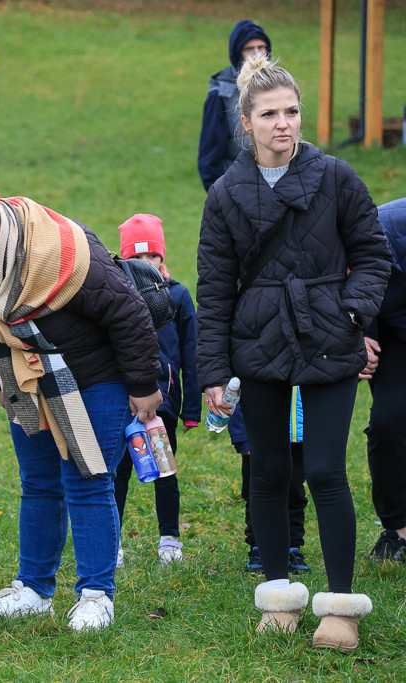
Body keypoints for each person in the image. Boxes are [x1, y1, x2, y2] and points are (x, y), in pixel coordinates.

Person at [196, 55, 390, 652]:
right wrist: (213, 370)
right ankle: (278, 597)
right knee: (271, 471)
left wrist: (352, 313)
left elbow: (374, 253)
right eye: (269, 114)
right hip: (258, 344)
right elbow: (213, 288)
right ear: (247, 123)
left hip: (328, 338)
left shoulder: (336, 176)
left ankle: (339, 606)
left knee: (328, 471)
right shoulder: (226, 193)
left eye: (292, 111)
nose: (284, 123)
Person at [0, 187, 162, 631]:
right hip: (24, 375)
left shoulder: (65, 254)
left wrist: (143, 384)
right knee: (37, 482)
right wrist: (0, 380)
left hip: (95, 377)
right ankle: (34, 590)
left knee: (87, 479)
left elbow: (129, 314)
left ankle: (97, 595)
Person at [113, 214, 197, 565]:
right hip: (122, 401)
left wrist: (191, 409)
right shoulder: (114, 295)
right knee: (117, 471)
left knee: (165, 468)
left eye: (153, 257)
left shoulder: (177, 295)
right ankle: (111, 542)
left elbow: (192, 354)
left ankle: (169, 539)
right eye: (138, 257)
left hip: (163, 400)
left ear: (162, 258)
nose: (146, 264)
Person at [363, 198, 406, 563]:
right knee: (387, 423)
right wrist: (356, 335)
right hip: (391, 336)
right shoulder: (370, 232)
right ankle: (399, 529)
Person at [230, 399, 312, 574]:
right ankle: (258, 547)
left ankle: (292, 546)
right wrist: (242, 435)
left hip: (298, 433)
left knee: (295, 490)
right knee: (256, 490)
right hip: (258, 434)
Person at [197, 20, 270, 191]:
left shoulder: (279, 89)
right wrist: (221, 199)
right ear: (237, 54)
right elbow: (209, 159)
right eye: (249, 49)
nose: (257, 54)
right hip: (237, 190)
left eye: (261, 47)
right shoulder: (221, 95)